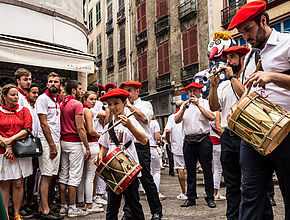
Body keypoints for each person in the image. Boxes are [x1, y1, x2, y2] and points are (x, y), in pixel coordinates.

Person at [228, 1, 290, 219]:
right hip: (254, 134)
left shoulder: (287, 43)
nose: (245, 36)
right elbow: (250, 90)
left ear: (263, 20)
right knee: (251, 196)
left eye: (248, 29)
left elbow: (267, 79)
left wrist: (272, 76)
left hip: (286, 132)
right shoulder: (253, 55)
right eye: (241, 32)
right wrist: (239, 105)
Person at [208, 46, 248, 219]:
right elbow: (214, 107)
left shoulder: (248, 79)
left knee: (249, 182)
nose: (228, 61)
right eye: (227, 58)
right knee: (231, 183)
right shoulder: (223, 85)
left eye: (232, 57)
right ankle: (232, 216)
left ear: (242, 59)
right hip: (228, 136)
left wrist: (231, 75)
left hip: (246, 136)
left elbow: (245, 95)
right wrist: (213, 86)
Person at [94, 88, 146, 220]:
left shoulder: (131, 121)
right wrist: (100, 156)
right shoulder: (108, 126)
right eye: (109, 104)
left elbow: (144, 140)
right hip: (113, 170)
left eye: (116, 103)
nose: (112, 107)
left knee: (134, 205)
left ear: (124, 103)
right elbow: (104, 146)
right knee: (112, 207)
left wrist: (129, 126)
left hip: (129, 170)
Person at [120, 81, 162, 220]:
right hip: (127, 146)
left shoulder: (145, 105)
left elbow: (144, 119)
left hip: (141, 145)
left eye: (130, 90)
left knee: (146, 179)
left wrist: (129, 106)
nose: (127, 94)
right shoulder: (123, 106)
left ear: (137, 91)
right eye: (125, 91)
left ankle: (156, 210)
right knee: (129, 182)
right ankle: (129, 212)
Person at [175, 82, 216, 208]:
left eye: (194, 91)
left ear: (199, 92)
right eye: (190, 91)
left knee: (207, 170)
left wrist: (198, 105)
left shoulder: (205, 102)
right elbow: (176, 120)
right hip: (188, 140)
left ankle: (210, 197)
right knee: (190, 171)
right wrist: (182, 109)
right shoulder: (185, 105)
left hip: (203, 139)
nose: (192, 93)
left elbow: (212, 117)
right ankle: (191, 197)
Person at [59, 80, 91, 218]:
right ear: (73, 90)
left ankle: (63, 206)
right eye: (79, 89)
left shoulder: (62, 103)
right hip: (74, 142)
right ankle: (72, 207)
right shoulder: (77, 104)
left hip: (63, 141)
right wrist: (87, 146)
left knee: (64, 174)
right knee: (74, 175)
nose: (81, 91)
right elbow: (80, 128)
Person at [0, 84, 33, 220]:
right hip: (2, 152)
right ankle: (5, 214)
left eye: (16, 95)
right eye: (12, 95)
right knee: (4, 182)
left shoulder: (24, 110)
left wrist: (10, 141)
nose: (15, 97)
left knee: (19, 183)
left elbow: (27, 129)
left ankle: (17, 213)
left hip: (19, 151)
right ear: (4, 96)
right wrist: (4, 142)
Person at [36, 72, 63, 220]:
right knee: (46, 176)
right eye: (51, 81)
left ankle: (43, 206)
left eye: (56, 82)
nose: (53, 84)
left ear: (59, 85)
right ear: (47, 84)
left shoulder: (56, 100)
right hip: (47, 142)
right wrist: (52, 144)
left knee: (51, 175)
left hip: (55, 141)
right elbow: (43, 123)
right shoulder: (43, 99)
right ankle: (44, 210)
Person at [77, 91, 104, 213]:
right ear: (85, 99)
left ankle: (81, 201)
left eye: (95, 99)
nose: (94, 101)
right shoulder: (87, 111)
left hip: (82, 144)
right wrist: (102, 135)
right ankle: (89, 204)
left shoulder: (79, 109)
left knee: (83, 176)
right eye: (91, 99)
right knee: (90, 176)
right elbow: (91, 130)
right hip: (91, 144)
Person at [87, 84, 108, 205]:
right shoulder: (97, 106)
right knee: (95, 169)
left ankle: (98, 194)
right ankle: (97, 195)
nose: (94, 101)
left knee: (96, 169)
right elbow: (103, 117)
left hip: (97, 138)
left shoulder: (96, 106)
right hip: (96, 138)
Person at [165, 100, 187, 201]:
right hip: (189, 144)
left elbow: (168, 131)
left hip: (177, 146)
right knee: (190, 170)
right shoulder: (187, 114)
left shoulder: (171, 117)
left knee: (180, 169)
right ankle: (191, 191)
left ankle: (184, 192)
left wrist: (169, 142)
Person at [209, 112, 226, 201]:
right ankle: (215, 193)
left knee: (212, 169)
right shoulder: (217, 113)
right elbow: (218, 128)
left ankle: (210, 190)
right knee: (218, 169)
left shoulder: (205, 113)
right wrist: (227, 138)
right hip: (217, 143)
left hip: (209, 143)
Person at [149, 115, 165, 200]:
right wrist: (160, 140)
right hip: (152, 147)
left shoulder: (139, 122)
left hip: (141, 148)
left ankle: (147, 191)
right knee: (156, 170)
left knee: (148, 171)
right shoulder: (154, 122)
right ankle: (156, 191)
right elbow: (157, 137)